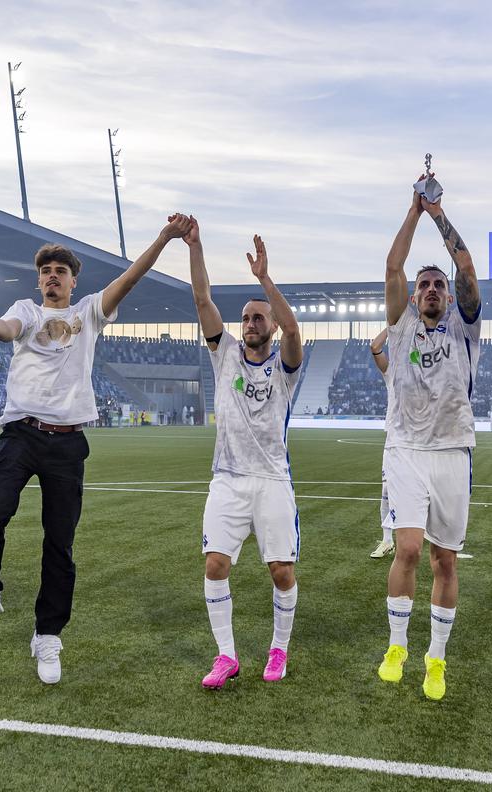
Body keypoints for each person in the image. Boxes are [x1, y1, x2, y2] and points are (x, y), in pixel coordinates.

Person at [0, 214, 192, 684]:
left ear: (73, 280)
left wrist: (164, 239)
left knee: (59, 542)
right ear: (39, 280)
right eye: (45, 271)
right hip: (20, 434)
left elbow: (129, 279)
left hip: (67, 443)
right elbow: (6, 328)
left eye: (59, 271)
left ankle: (47, 635)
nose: (51, 277)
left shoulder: (88, 313)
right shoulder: (26, 309)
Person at [375, 175, 482, 702]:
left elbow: (465, 268)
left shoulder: (465, 325)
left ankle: (435, 658)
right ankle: (397, 645)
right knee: (410, 549)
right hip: (406, 450)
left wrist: (439, 213)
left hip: (453, 450)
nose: (433, 289)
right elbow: (393, 267)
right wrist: (413, 212)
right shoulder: (400, 325)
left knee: (445, 560)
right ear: (415, 297)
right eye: (426, 285)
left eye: (438, 284)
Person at [184, 222, 303, 688]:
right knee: (215, 565)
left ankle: (279, 649)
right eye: (247, 317)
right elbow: (202, 300)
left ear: (270, 325)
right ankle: (226, 656)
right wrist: (195, 246)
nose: (251, 323)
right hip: (228, 478)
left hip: (272, 480)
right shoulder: (225, 354)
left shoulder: (285, 367)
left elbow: (293, 327)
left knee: (281, 571)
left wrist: (265, 280)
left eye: (259, 317)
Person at [367, 327, 395, 559]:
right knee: (386, 490)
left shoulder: (423, 366)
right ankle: (387, 540)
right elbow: (375, 347)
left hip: (421, 439)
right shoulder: (391, 370)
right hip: (394, 437)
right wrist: (391, 326)